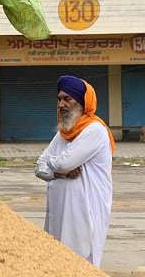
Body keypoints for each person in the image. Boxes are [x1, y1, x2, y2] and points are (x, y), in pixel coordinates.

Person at [35, 75, 115, 266]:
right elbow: (39, 167)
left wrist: (54, 165)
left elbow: (63, 163)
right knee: (57, 262)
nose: (61, 104)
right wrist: (58, 172)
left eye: (67, 99)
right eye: (59, 99)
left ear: (82, 102)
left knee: (80, 262)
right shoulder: (64, 131)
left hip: (83, 210)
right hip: (59, 211)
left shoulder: (94, 130)